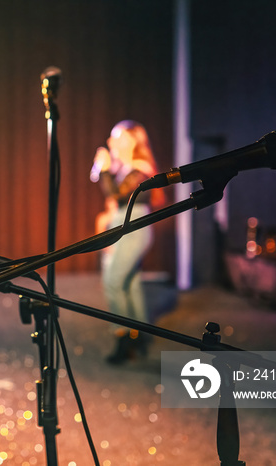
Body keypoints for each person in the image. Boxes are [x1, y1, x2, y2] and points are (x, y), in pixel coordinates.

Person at [90, 120, 163, 364]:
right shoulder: (127, 167)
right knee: (130, 284)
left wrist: (105, 169)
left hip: (134, 229)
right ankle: (139, 335)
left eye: (117, 137)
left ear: (132, 140)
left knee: (113, 281)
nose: (111, 142)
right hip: (124, 225)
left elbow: (117, 193)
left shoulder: (140, 168)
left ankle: (123, 338)